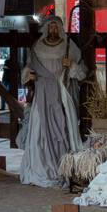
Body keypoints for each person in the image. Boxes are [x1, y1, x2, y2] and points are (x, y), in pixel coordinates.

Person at [17, 15, 87, 187]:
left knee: (63, 128)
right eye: (51, 27)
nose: (53, 30)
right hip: (42, 93)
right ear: (46, 28)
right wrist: (29, 75)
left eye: (56, 27)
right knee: (40, 129)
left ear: (60, 29)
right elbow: (28, 68)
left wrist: (71, 65)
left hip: (62, 93)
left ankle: (64, 166)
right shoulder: (37, 47)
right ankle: (41, 167)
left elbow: (82, 72)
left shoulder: (69, 46)